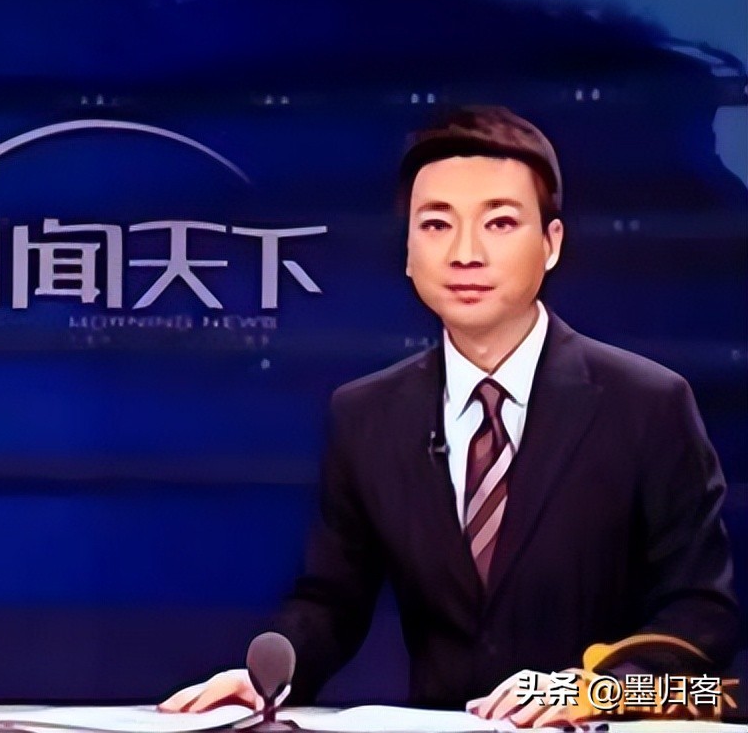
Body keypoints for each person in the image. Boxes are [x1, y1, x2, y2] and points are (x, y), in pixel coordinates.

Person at [161, 106, 737, 727]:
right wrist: (268, 678)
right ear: (408, 251)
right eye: (436, 224)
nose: (465, 253)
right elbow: (332, 601)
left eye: (500, 222)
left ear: (551, 244)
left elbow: (702, 620)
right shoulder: (367, 415)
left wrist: (597, 691)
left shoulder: (647, 404)